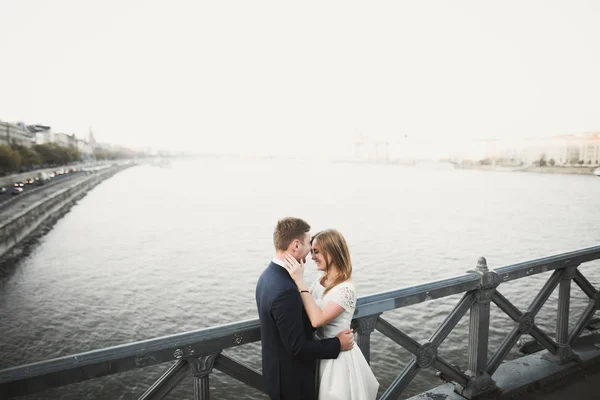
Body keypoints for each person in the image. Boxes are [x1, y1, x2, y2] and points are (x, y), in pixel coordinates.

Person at [255, 218, 355, 400]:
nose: (311, 253)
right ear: (295, 245)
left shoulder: (267, 276)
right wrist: (337, 344)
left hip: (278, 373)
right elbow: (298, 347)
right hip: (292, 381)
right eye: (310, 244)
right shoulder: (285, 288)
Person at [282, 229, 379, 400]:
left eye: (316, 251)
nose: (312, 256)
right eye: (312, 251)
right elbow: (306, 304)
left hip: (339, 357)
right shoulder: (321, 279)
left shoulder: (345, 289)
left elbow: (317, 319)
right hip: (322, 352)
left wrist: (299, 281)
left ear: (332, 252)